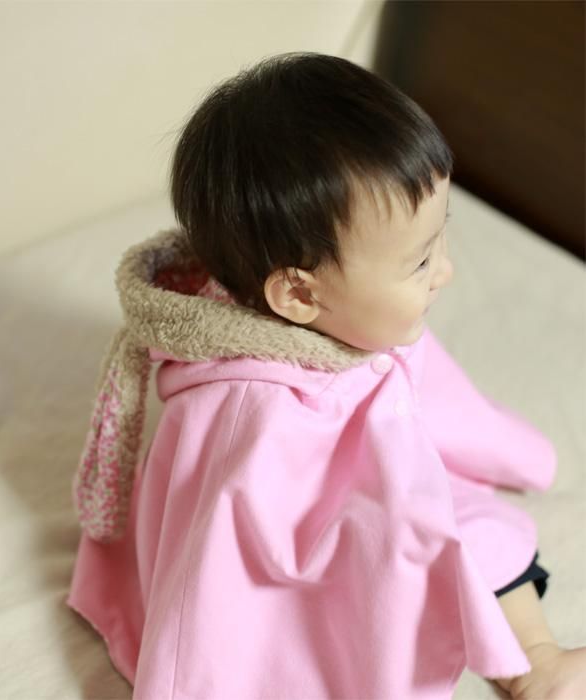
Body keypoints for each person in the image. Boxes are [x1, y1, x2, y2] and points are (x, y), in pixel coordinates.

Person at [67, 52, 585, 699]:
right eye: (420, 262)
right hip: (305, 535)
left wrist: (517, 455)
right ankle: (526, 667)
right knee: (415, 563)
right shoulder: (244, 415)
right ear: (299, 295)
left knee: (478, 534)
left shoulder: (357, 319)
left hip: (380, 469)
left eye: (440, 240)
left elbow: (441, 400)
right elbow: (218, 573)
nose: (445, 271)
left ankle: (534, 659)